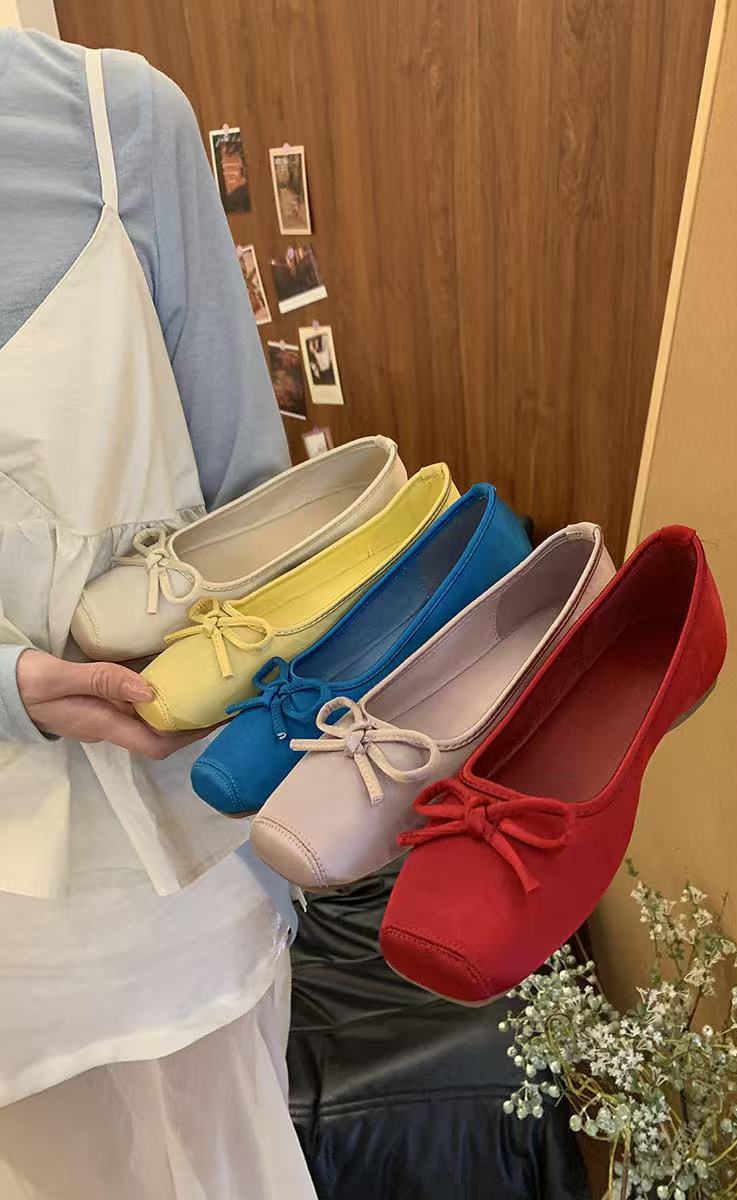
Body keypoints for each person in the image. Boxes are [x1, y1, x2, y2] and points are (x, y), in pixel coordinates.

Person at [0, 27, 317, 1199]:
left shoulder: (116, 122)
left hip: (174, 865)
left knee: (220, 1152)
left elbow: (256, 515)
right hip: (34, 943)